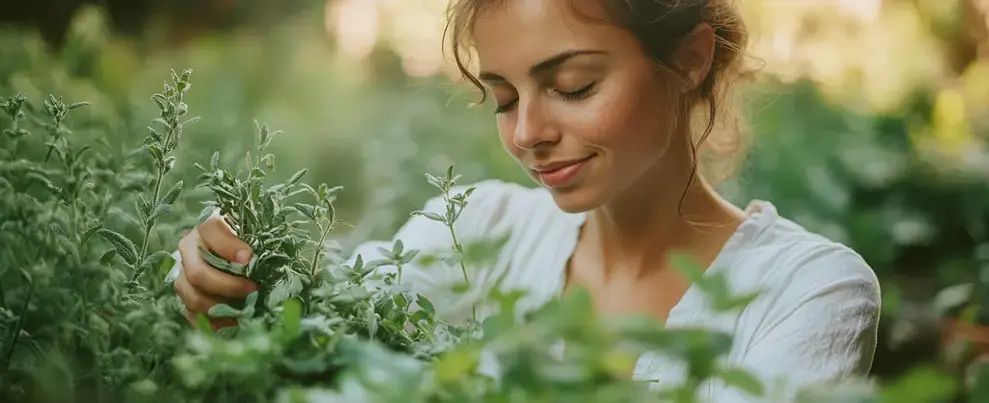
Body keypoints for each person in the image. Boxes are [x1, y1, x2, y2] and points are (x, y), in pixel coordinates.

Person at [167, 0, 882, 400]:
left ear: (690, 58)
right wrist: (235, 279)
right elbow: (321, 321)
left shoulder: (808, 291)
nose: (529, 133)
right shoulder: (481, 228)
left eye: (573, 85)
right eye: (504, 99)